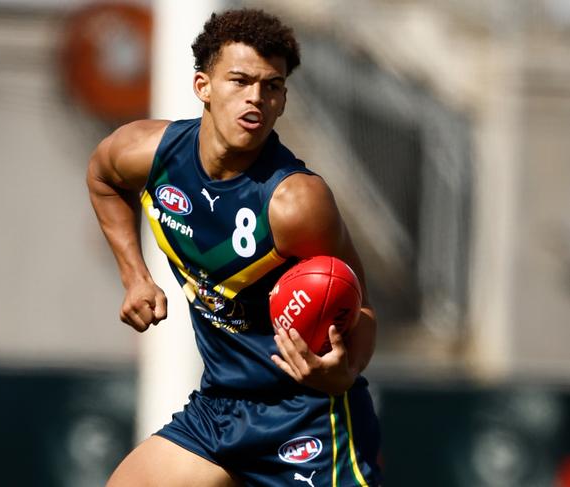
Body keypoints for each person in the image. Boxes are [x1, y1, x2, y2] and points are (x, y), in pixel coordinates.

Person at [87, 8, 381, 487]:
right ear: (203, 85)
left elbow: (362, 307)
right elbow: (102, 178)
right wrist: (135, 275)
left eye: (272, 86)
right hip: (221, 407)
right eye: (240, 81)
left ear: (284, 99)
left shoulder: (295, 203)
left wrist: (343, 371)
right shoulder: (145, 153)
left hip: (307, 417)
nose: (256, 98)